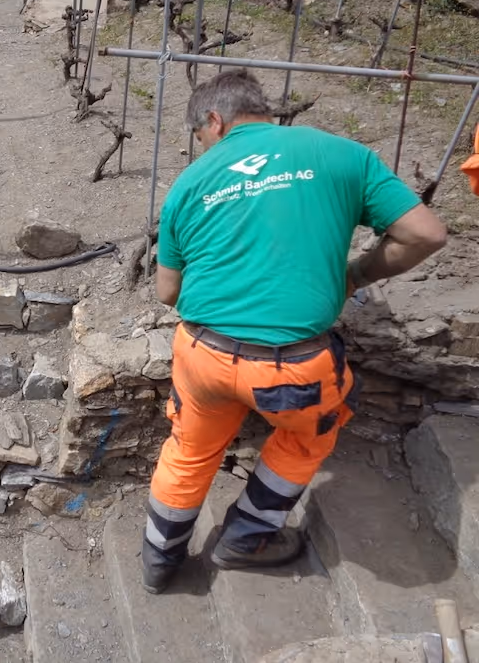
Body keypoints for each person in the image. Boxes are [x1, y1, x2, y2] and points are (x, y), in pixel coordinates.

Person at [143, 70, 447, 594]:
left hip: (203, 355)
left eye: (200, 137)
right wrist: (358, 274)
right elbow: (425, 233)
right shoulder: (340, 154)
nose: (203, 147)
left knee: (189, 451)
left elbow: (167, 293)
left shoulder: (189, 184)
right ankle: (246, 537)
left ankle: (159, 561)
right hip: (295, 367)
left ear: (214, 120)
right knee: (307, 438)